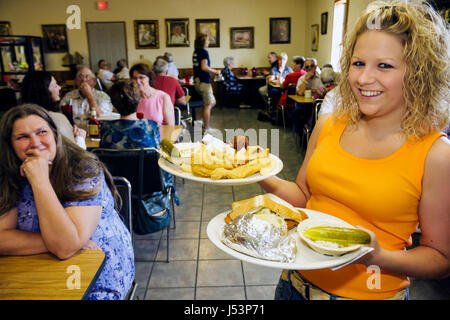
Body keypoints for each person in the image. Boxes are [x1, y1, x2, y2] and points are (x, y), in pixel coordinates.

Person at [260, 0, 450, 300]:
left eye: (384, 65)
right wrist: (259, 171)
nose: (363, 78)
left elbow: (440, 259)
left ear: (418, 73)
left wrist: (376, 257)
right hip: (294, 287)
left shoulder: (436, 154)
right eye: (358, 63)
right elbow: (304, 197)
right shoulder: (328, 125)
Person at [0, 104, 135, 300]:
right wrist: (54, 243)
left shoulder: (83, 169)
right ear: (10, 145)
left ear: (54, 134)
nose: (35, 142)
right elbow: (2, 238)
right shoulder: (8, 175)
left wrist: (40, 180)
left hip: (98, 274)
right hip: (37, 268)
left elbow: (64, 247)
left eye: (41, 132)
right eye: (22, 137)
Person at [101, 80, 179, 206]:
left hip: (116, 186)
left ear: (114, 103)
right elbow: (159, 153)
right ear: (138, 101)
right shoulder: (149, 126)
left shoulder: (106, 129)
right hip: (149, 185)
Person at [21, 71, 87, 149]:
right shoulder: (55, 118)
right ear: (45, 90)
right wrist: (80, 138)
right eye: (55, 85)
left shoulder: (19, 118)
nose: (59, 87)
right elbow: (74, 155)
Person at [60, 67, 113, 131]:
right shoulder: (69, 96)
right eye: (80, 77)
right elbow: (61, 117)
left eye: (87, 77)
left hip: (96, 135)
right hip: (73, 134)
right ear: (76, 81)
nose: (83, 80)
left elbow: (103, 119)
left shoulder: (103, 96)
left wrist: (89, 96)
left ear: (94, 81)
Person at [192, 33, 221, 132]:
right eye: (208, 40)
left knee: (212, 102)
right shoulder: (204, 52)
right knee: (208, 105)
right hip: (204, 82)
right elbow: (204, 67)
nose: (209, 42)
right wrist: (215, 71)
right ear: (203, 42)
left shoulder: (196, 52)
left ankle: (199, 120)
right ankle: (206, 128)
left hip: (197, 81)